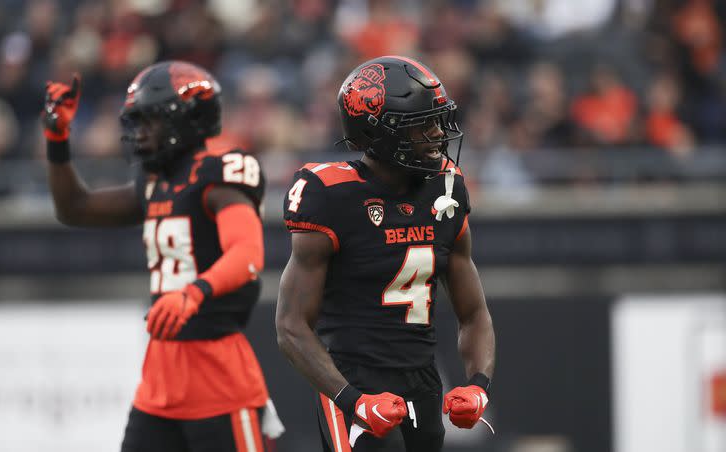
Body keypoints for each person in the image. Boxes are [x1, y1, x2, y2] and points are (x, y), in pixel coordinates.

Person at [42, 61, 283, 452]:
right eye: (137, 122)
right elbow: (75, 208)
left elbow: (248, 254)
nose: (140, 133)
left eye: (150, 121)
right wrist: (57, 139)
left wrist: (194, 293)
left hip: (217, 371)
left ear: (188, 119)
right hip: (159, 379)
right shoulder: (155, 181)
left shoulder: (220, 172)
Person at [276, 55, 496, 451]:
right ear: (378, 133)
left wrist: (479, 384)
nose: (437, 135)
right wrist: (353, 400)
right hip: (352, 379)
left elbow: (474, 313)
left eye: (437, 120)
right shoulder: (330, 195)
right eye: (421, 125)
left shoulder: (446, 188)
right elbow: (291, 326)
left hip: (422, 380)